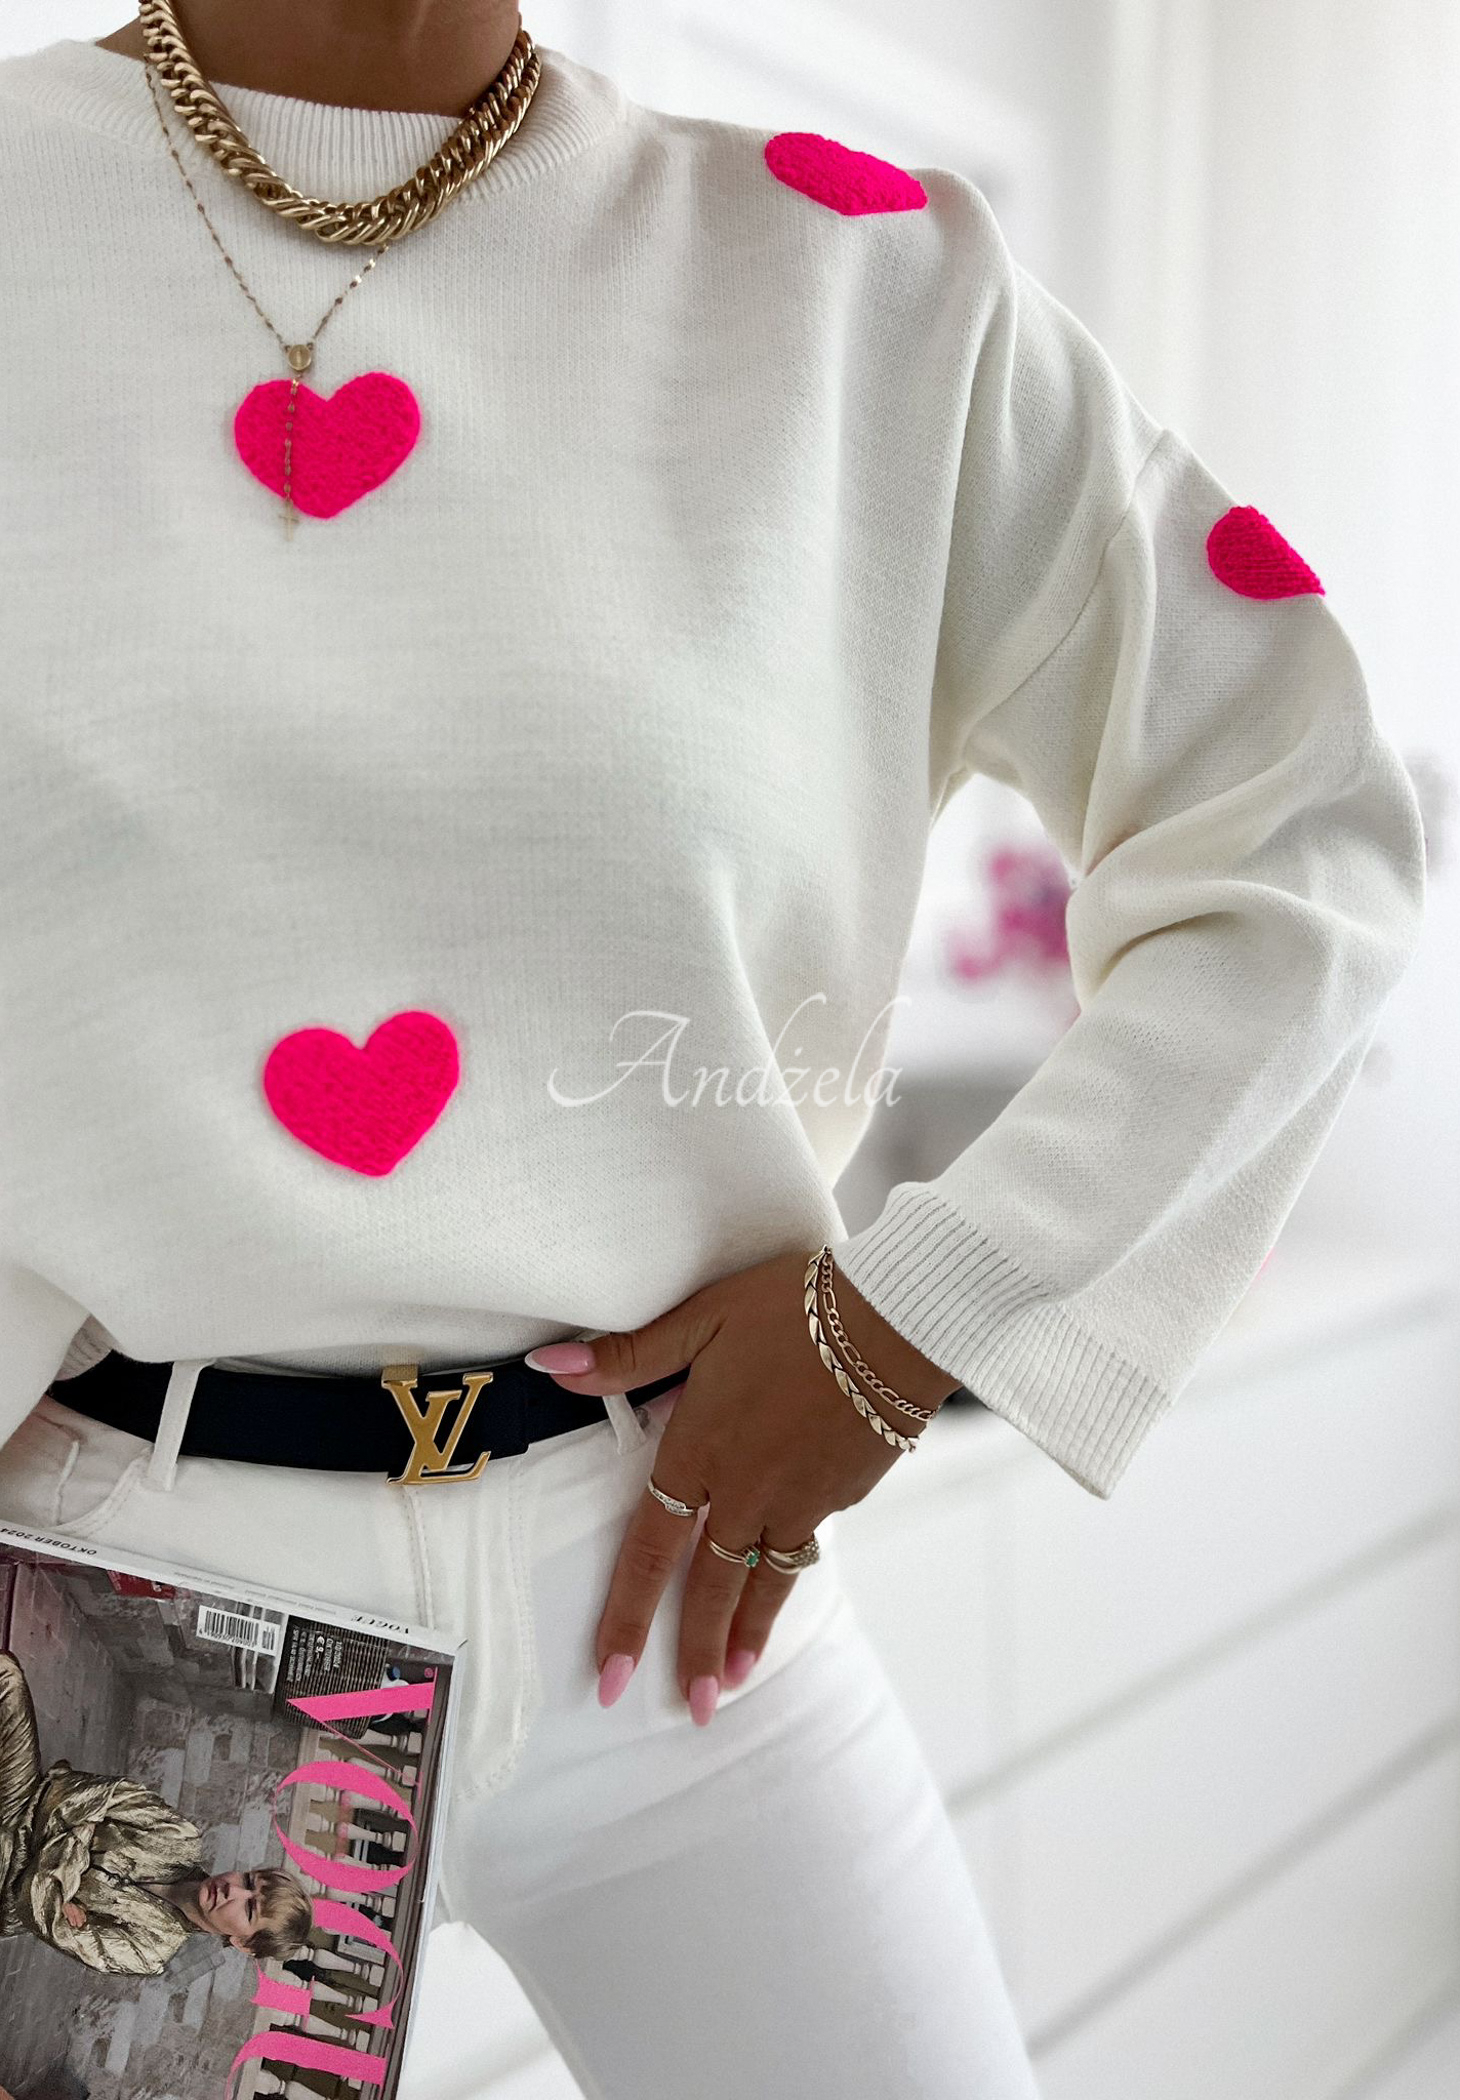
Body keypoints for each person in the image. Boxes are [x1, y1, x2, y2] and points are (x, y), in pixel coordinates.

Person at [0, 2, 1426, 2094]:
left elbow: (1302, 817)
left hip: (673, 1591)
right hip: (109, 1598)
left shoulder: (867, 286)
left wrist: (915, 1317)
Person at [0, 1651, 311, 1976]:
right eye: (248, 1880)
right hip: (27, 1801)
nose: (232, 1890)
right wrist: (66, 1879)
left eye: (249, 1908)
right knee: (7, 1674)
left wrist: (85, 1829)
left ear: (243, 1943)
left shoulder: (148, 1951)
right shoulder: (178, 1837)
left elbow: (42, 1915)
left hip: (8, 1883)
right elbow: (93, 1791)